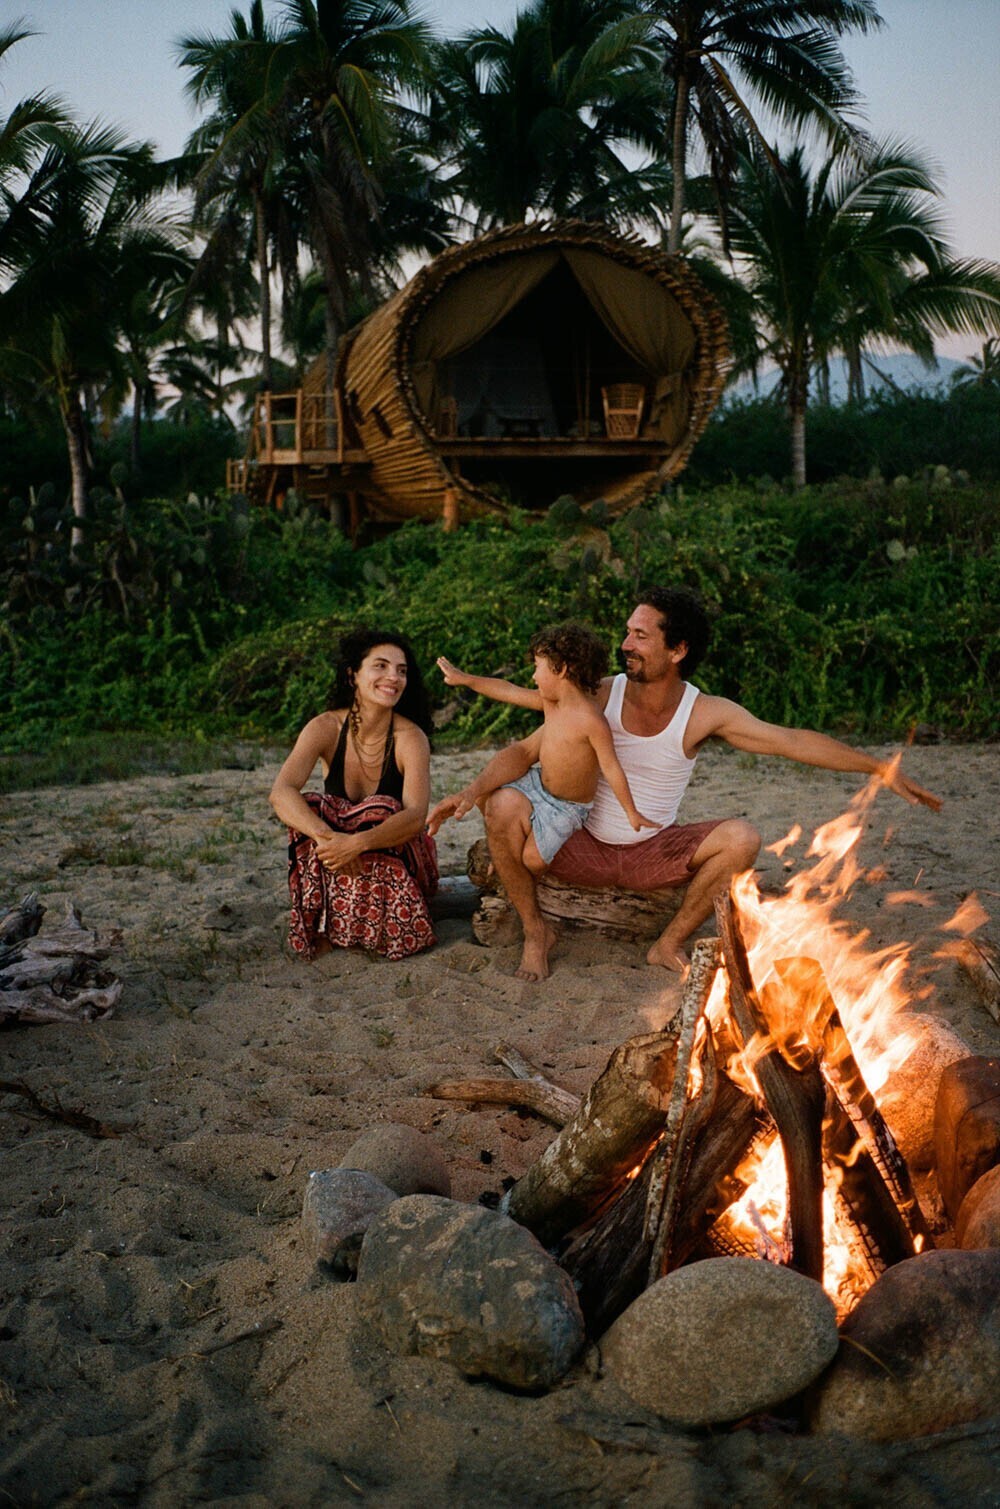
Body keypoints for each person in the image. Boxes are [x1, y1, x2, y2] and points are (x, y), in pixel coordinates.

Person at [428, 587, 941, 976]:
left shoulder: (704, 712)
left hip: (654, 852)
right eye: (627, 631)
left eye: (641, 636)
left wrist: (879, 769)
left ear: (677, 650)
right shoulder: (595, 693)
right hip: (577, 844)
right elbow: (523, 750)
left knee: (743, 837)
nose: (625, 643)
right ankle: (536, 931)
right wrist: (470, 792)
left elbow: (791, 740)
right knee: (501, 804)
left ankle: (667, 943)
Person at [433, 622, 659, 981]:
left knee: (533, 860)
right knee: (493, 798)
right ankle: (527, 915)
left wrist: (632, 812)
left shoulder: (590, 720)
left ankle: (516, 880)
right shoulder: (549, 704)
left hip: (567, 807)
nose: (534, 675)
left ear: (562, 668)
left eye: (538, 666)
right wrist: (466, 679)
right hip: (538, 786)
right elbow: (505, 690)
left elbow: (612, 769)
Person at [269, 628, 438, 960]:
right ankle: (326, 924)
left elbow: (416, 817)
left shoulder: (410, 737)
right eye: (381, 666)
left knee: (381, 808)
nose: (394, 677)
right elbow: (281, 792)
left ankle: (376, 927)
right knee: (312, 807)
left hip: (396, 860)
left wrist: (356, 844)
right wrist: (327, 839)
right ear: (353, 675)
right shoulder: (326, 727)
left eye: (401, 670)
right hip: (339, 857)